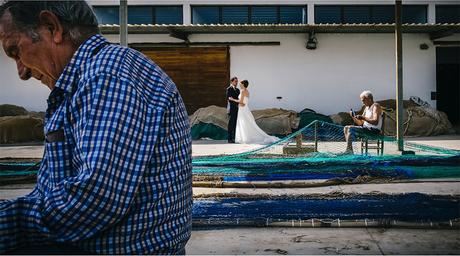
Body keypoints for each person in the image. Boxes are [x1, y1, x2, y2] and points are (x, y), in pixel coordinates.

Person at [0, 1, 192, 254]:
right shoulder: (86, 79)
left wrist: (10, 220)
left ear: (52, 27)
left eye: (16, 51)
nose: (21, 72)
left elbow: (95, 200)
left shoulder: (106, 75)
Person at [230, 80, 278, 144]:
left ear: (243, 84)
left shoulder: (243, 91)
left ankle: (245, 138)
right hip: (244, 108)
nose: (239, 85)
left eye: (241, 84)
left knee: (244, 123)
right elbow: (244, 102)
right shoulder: (247, 91)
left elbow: (241, 102)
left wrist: (232, 99)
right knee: (246, 123)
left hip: (243, 109)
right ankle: (245, 137)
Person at [226, 76, 239, 143]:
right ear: (232, 81)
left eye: (237, 81)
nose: (236, 82)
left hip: (237, 109)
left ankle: (234, 138)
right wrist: (236, 100)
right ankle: (229, 138)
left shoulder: (238, 90)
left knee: (235, 124)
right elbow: (229, 98)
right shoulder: (229, 89)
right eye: (235, 81)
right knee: (230, 124)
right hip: (231, 109)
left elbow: (239, 99)